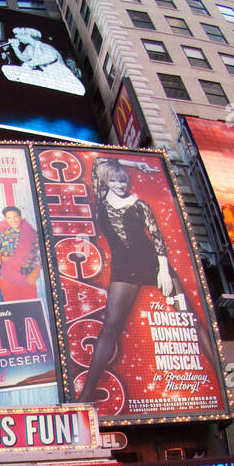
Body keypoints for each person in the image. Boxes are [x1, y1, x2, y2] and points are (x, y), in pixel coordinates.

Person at [77, 160, 182, 405]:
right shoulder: (101, 200)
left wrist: (164, 271)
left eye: (123, 180)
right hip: (124, 268)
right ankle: (85, 395)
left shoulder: (140, 205)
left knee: (189, 317)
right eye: (114, 180)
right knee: (110, 327)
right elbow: (99, 166)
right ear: (106, 182)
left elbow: (156, 237)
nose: (119, 185)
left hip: (152, 262)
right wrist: (133, 164)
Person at [0, 206, 43, 302]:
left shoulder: (32, 235)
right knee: (13, 307)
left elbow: (39, 256)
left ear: (20, 217)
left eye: (15, 216)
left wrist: (35, 273)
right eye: (9, 217)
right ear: (6, 219)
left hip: (27, 277)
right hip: (7, 278)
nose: (13, 220)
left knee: (31, 306)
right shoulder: (0, 235)